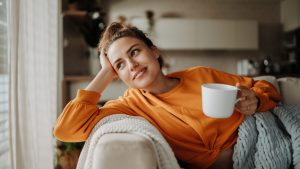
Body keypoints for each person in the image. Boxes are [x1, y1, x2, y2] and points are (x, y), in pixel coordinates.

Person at [53, 22, 281, 169]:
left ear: (153, 51)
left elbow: (264, 86)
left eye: (135, 52)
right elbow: (66, 129)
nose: (132, 65)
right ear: (116, 74)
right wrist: (104, 73)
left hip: (261, 144)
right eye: (120, 65)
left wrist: (256, 99)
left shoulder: (201, 75)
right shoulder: (130, 105)